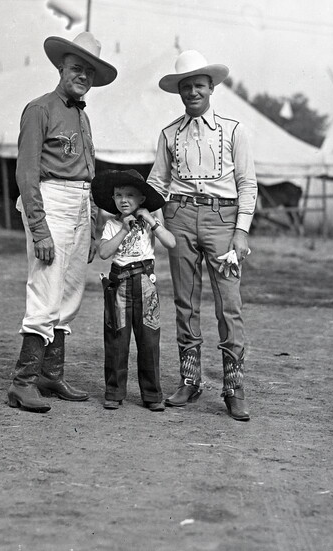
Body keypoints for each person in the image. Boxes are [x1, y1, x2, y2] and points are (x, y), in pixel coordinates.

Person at [7, 32, 117, 413]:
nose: (82, 75)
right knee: (45, 287)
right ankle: (22, 383)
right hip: (50, 201)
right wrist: (38, 227)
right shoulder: (40, 109)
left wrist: (92, 226)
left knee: (70, 292)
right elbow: (26, 172)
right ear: (60, 68)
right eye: (76, 68)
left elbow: (86, 175)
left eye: (89, 71)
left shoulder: (82, 115)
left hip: (79, 204)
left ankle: (50, 375)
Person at [147, 50, 258, 421]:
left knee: (229, 303)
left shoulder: (234, 130)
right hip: (178, 217)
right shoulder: (168, 134)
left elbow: (247, 183)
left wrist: (241, 231)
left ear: (211, 87)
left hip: (222, 219)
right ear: (179, 92)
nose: (193, 92)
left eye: (199, 85)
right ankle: (190, 380)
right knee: (184, 299)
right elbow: (156, 183)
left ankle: (234, 387)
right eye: (186, 87)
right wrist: (156, 221)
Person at [92, 169, 176, 411]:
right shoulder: (112, 224)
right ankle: (114, 392)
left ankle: (151, 395)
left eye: (130, 195)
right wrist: (123, 230)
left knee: (149, 340)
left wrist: (151, 220)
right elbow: (105, 252)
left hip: (145, 284)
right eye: (118, 195)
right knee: (117, 338)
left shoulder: (150, 225)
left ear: (141, 200)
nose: (124, 200)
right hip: (119, 285)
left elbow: (170, 242)